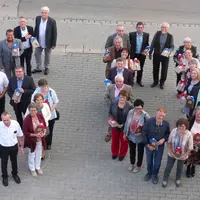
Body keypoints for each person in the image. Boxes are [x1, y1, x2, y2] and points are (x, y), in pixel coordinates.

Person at [162, 118, 193, 187]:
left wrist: (185, 154)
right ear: (177, 126)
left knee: (180, 168)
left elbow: (190, 147)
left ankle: (178, 179)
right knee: (168, 167)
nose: (181, 128)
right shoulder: (174, 131)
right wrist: (171, 152)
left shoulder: (189, 134)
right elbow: (169, 142)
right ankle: (165, 179)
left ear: (186, 127)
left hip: (182, 155)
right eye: (179, 126)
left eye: (183, 126)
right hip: (172, 153)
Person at [142, 108, 170, 184]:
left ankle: (155, 175)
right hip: (149, 146)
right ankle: (149, 173)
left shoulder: (166, 124)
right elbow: (143, 133)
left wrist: (164, 139)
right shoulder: (149, 122)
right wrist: (147, 145)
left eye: (163, 116)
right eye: (160, 115)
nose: (161, 117)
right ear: (156, 114)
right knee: (149, 161)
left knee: (157, 162)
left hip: (159, 147)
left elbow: (168, 134)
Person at [104, 75, 134, 142]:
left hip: (124, 108)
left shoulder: (128, 88)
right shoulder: (110, 87)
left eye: (120, 81)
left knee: (124, 122)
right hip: (114, 108)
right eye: (117, 81)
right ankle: (109, 134)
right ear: (115, 81)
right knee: (112, 122)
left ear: (123, 81)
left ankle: (124, 135)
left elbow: (131, 99)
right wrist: (112, 105)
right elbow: (106, 97)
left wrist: (126, 104)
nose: (118, 83)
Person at [31, 79, 59, 150]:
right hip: (39, 116)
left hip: (50, 115)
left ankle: (48, 143)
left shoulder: (51, 92)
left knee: (50, 129)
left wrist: (50, 110)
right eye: (42, 87)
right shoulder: (36, 92)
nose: (44, 89)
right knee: (40, 129)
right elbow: (32, 101)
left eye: (45, 87)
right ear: (39, 87)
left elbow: (55, 102)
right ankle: (42, 143)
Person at [124, 99, 150, 173]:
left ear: (142, 107)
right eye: (136, 108)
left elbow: (148, 127)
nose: (138, 110)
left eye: (140, 108)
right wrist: (125, 133)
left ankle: (138, 165)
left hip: (140, 137)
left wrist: (141, 133)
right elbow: (127, 123)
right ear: (134, 107)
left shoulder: (146, 116)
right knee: (132, 150)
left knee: (140, 151)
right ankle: (132, 163)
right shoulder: (131, 112)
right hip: (131, 135)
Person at [0, 112, 23, 186]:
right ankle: (4, 177)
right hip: (3, 147)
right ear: (2, 119)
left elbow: (19, 136)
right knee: (4, 162)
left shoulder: (15, 124)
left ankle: (15, 174)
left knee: (14, 161)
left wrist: (20, 147)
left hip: (13, 146)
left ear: (10, 118)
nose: (6, 122)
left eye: (7, 120)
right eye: (4, 120)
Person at [23, 103, 47, 176]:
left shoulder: (40, 115)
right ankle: (32, 168)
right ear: (29, 110)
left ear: (37, 110)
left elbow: (45, 125)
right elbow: (25, 132)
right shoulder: (27, 119)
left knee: (39, 153)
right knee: (32, 154)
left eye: (34, 110)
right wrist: (35, 135)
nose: (33, 112)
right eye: (31, 110)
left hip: (40, 139)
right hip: (32, 140)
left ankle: (38, 167)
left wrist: (44, 133)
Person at [32, 6, 57, 75]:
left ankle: (46, 67)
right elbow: (36, 28)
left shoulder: (52, 21)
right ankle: (38, 67)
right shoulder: (37, 18)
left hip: (48, 42)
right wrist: (33, 38)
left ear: (47, 13)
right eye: (42, 12)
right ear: (41, 13)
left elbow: (54, 33)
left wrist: (54, 43)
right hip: (38, 41)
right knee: (37, 54)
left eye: (45, 13)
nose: (44, 14)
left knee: (47, 55)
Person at [109, 90, 133, 161]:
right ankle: (114, 153)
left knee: (124, 141)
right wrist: (113, 121)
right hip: (115, 125)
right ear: (118, 97)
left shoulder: (130, 106)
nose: (122, 99)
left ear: (126, 98)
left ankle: (122, 154)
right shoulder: (113, 103)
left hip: (125, 126)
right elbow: (110, 113)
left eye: (124, 98)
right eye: (121, 97)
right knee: (114, 140)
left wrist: (123, 124)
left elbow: (131, 118)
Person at [149, 22, 174, 89]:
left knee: (164, 69)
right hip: (156, 54)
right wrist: (150, 52)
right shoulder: (157, 33)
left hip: (165, 56)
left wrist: (169, 51)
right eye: (162, 27)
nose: (163, 28)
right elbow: (153, 43)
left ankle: (162, 82)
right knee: (155, 69)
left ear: (167, 28)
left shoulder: (170, 36)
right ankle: (155, 81)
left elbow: (172, 46)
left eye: (165, 27)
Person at [129, 22, 149, 87]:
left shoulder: (146, 35)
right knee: (132, 67)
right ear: (136, 28)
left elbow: (147, 44)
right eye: (138, 27)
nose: (140, 29)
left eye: (141, 28)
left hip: (142, 54)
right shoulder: (132, 34)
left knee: (140, 68)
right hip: (134, 54)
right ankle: (131, 80)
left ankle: (139, 80)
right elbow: (129, 44)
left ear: (143, 28)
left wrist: (146, 50)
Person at [186, 108, 200, 177]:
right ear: (195, 114)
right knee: (189, 156)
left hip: (199, 145)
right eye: (198, 114)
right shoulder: (191, 121)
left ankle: (193, 167)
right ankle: (188, 168)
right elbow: (186, 131)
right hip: (190, 143)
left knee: (196, 157)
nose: (199, 115)